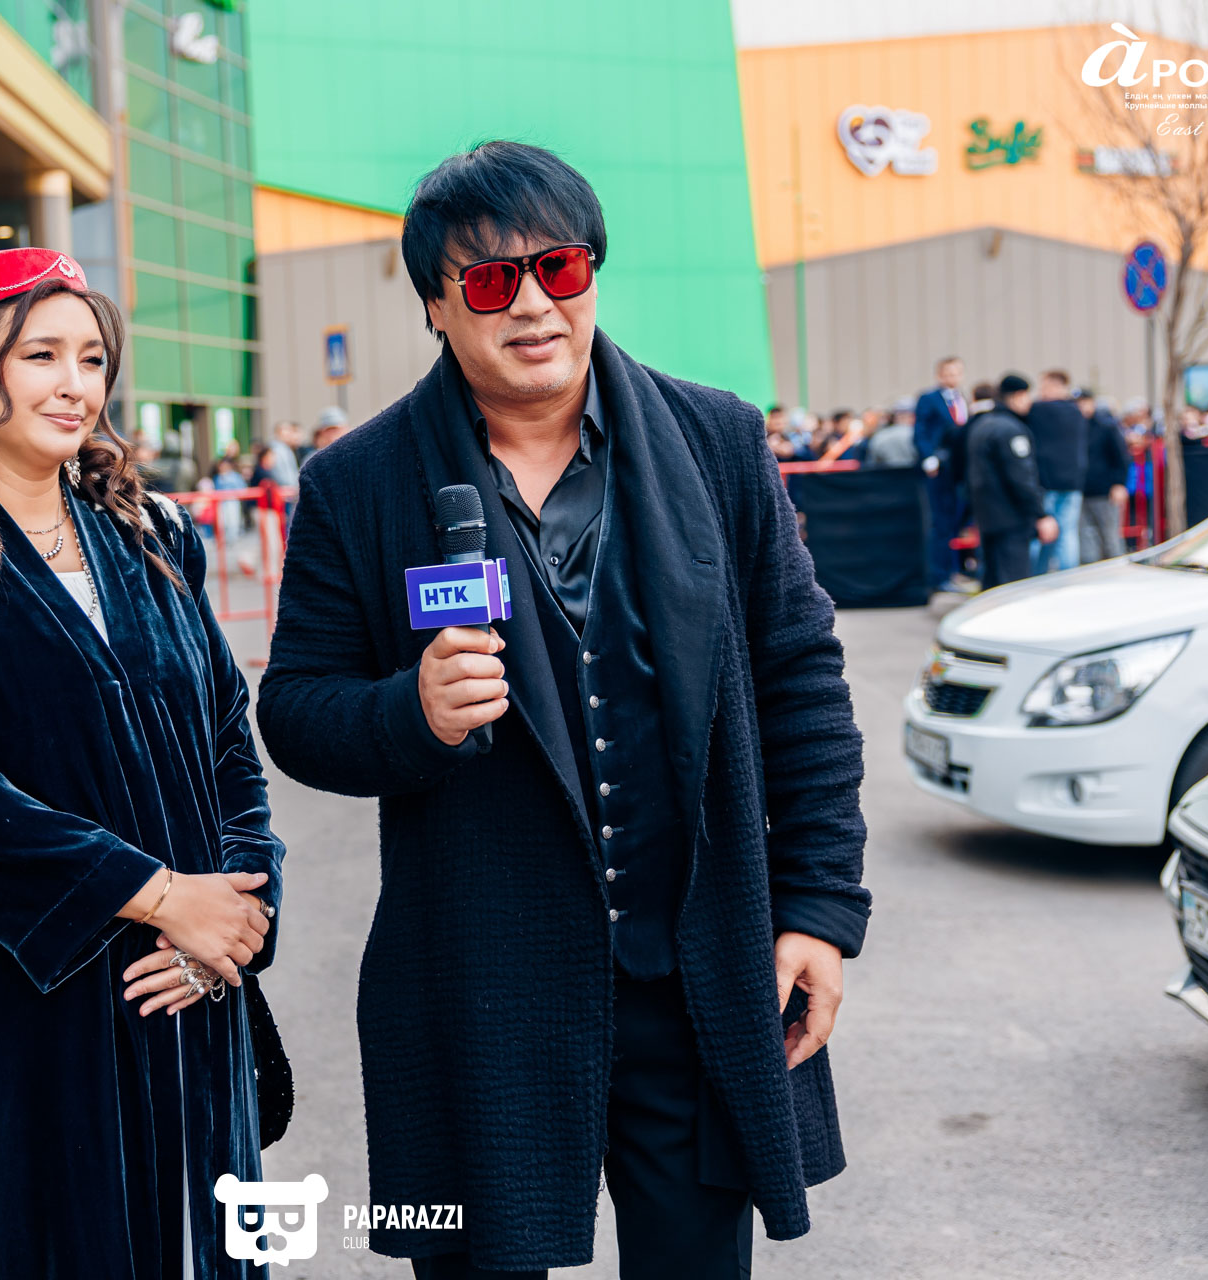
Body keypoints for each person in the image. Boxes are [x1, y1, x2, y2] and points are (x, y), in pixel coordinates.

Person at [257, 142, 870, 1279]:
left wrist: (821, 908)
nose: (535, 303)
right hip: (479, 988)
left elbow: (802, 681)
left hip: (694, 977)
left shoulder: (718, 442)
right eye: (493, 280)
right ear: (437, 304)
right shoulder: (359, 483)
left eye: (562, 267)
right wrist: (411, 713)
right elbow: (294, 709)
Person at [0, 247, 284, 1277]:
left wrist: (240, 912)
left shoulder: (157, 532)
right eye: (40, 355)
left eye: (92, 357)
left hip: (181, 975)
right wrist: (164, 895)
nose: (76, 383)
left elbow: (226, 735)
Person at [966, 374, 1059, 589]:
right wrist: (1040, 514)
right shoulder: (1011, 430)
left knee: (992, 582)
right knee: (1014, 585)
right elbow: (1021, 478)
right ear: (1017, 396)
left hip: (987, 516)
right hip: (1011, 518)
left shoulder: (981, 425)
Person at [913, 357, 969, 592]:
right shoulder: (929, 399)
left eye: (956, 373)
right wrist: (928, 457)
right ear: (939, 375)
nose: (952, 377)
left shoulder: (961, 399)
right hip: (939, 468)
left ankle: (954, 570)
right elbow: (921, 431)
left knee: (956, 522)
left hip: (958, 469)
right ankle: (940, 575)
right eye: (948, 373)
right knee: (941, 523)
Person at [1026, 369, 1086, 573]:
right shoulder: (1076, 412)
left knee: (1041, 533)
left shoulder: (1039, 410)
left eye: (1043, 386)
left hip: (1047, 483)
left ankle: (1035, 576)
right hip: (1073, 483)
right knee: (1067, 533)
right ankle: (1068, 576)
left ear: (1054, 385)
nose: (1040, 391)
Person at [1077, 389, 1131, 563]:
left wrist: (1119, 483)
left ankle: (1118, 571)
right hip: (1081, 491)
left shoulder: (1106, 426)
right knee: (1086, 542)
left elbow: (1121, 456)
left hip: (1105, 491)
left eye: (1084, 401)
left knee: (1110, 539)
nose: (1081, 406)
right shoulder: (1074, 427)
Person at [862, 397, 919, 468]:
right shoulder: (918, 435)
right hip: (915, 473)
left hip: (886, 474)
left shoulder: (880, 436)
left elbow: (872, 464)